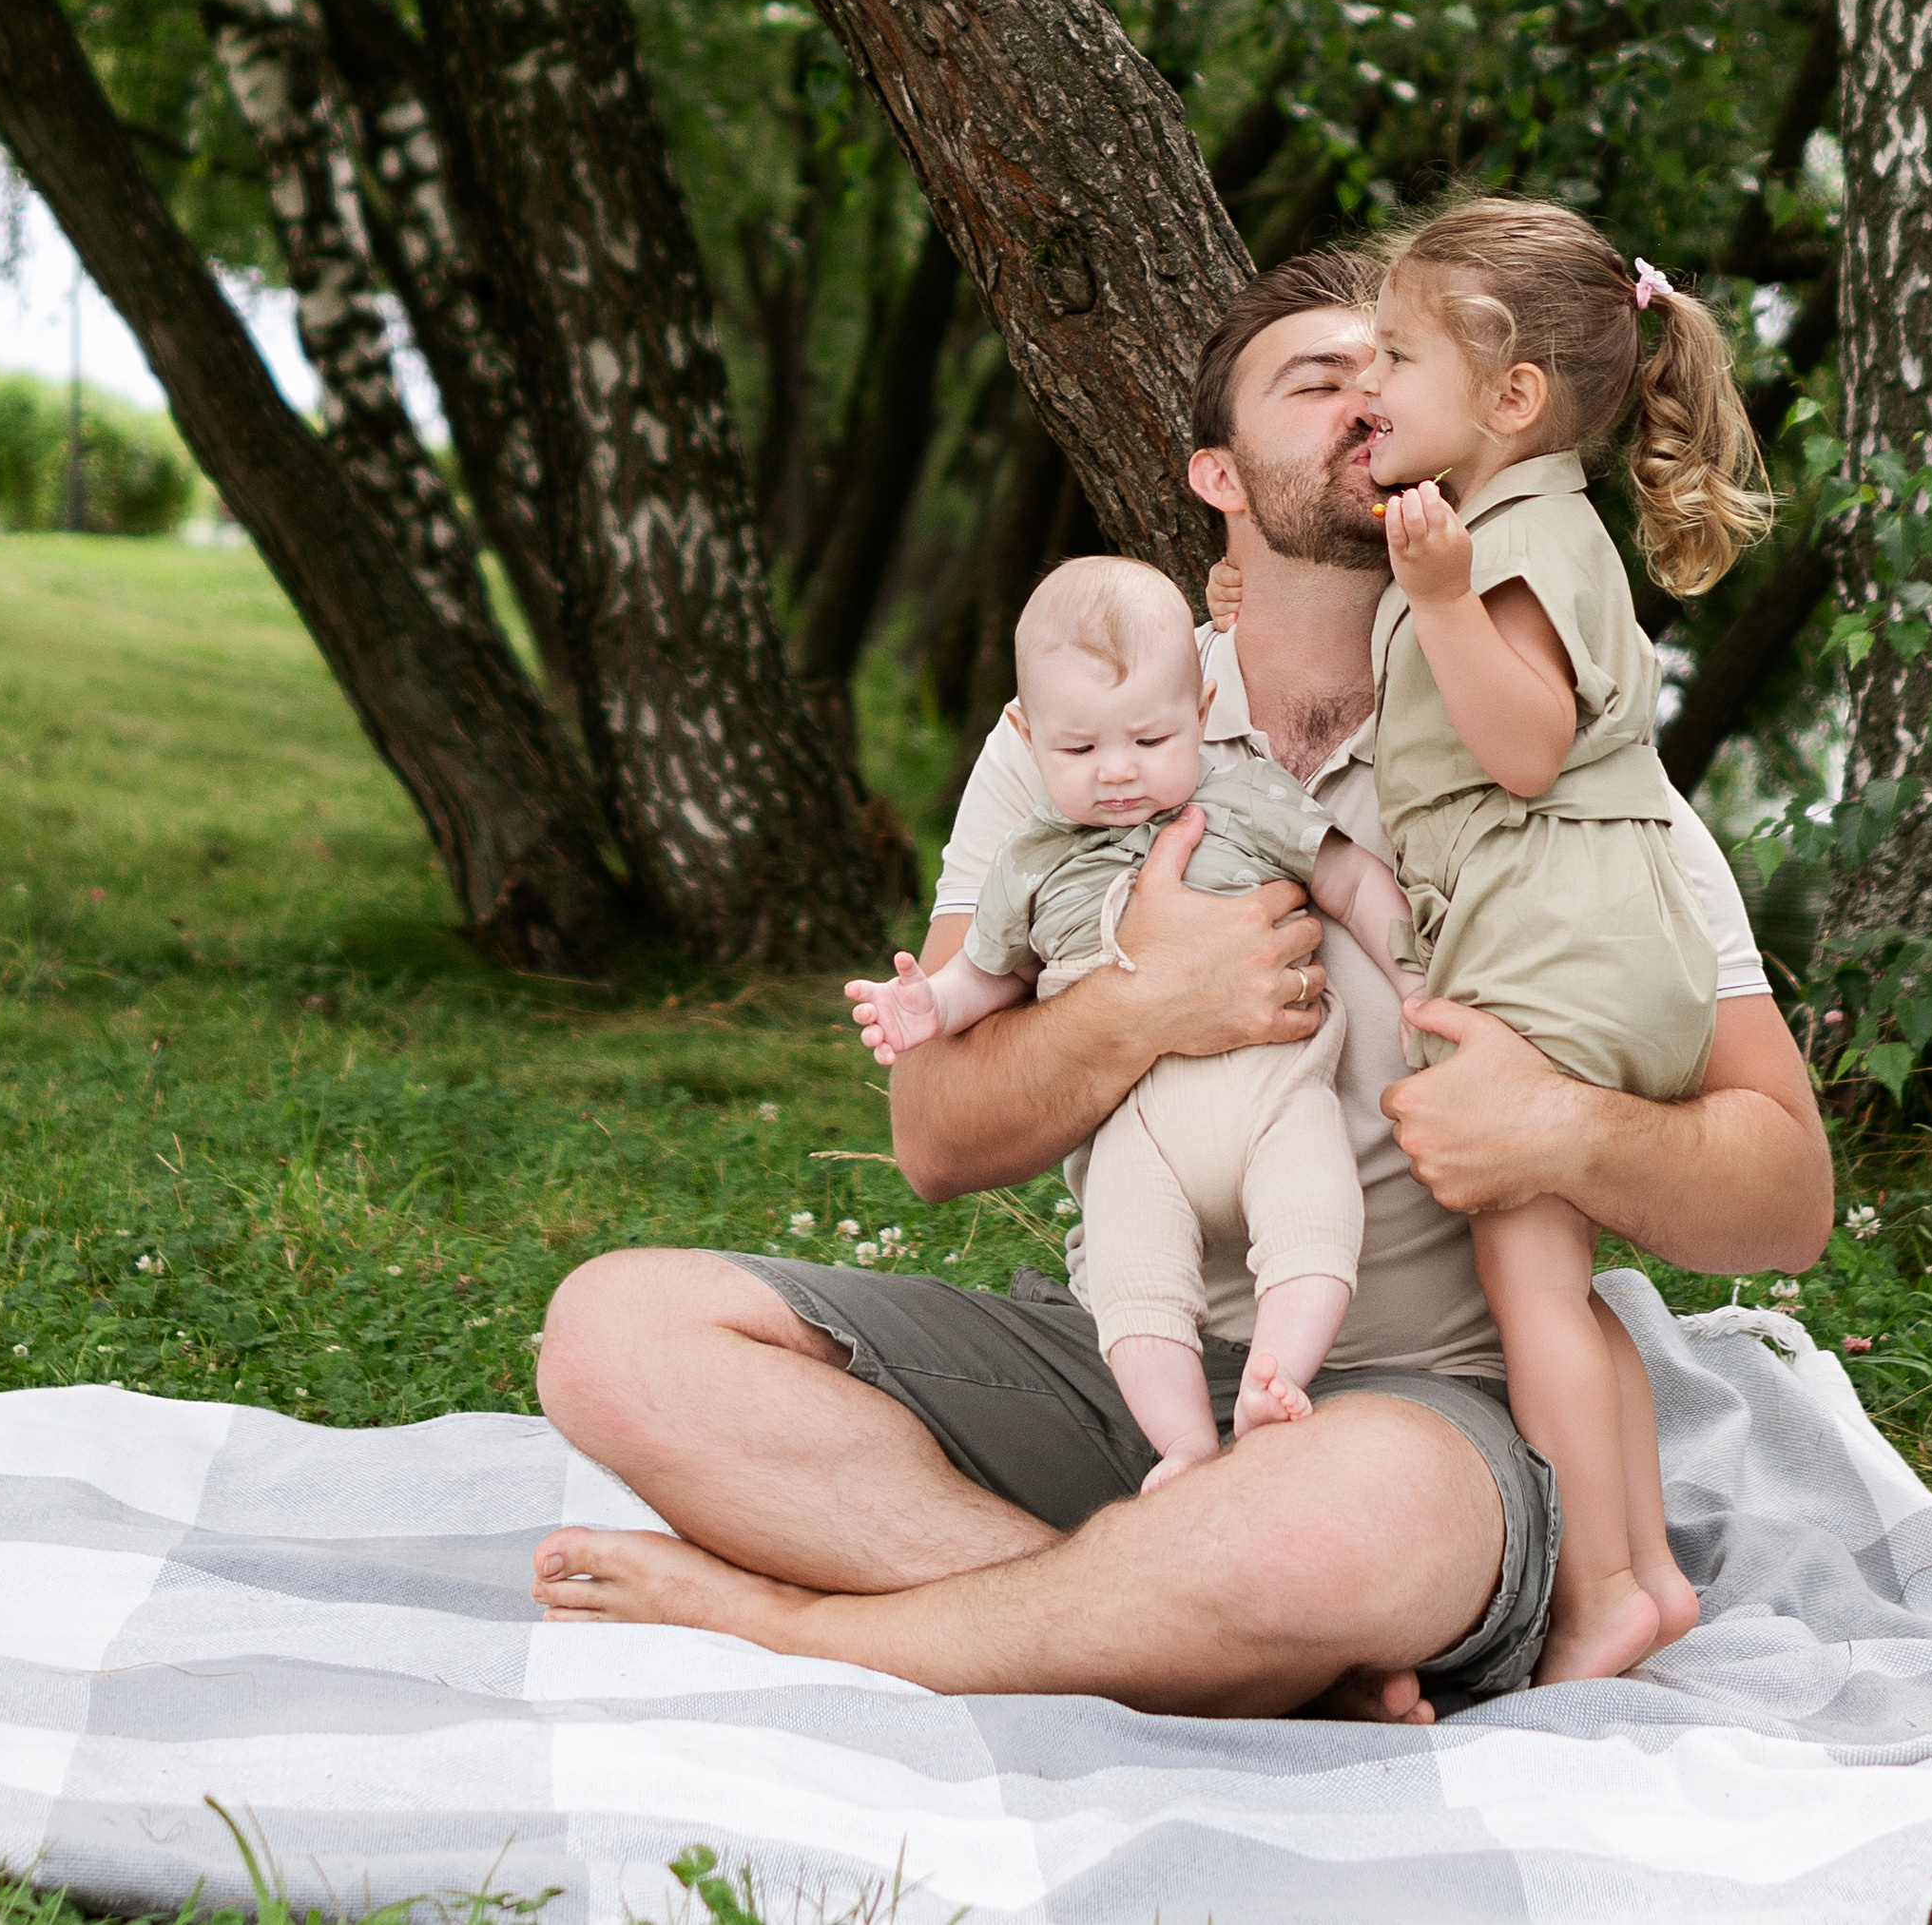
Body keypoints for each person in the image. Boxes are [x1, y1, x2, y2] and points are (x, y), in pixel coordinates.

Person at [527, 249, 1833, 1720]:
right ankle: (1210, 1636)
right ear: (1219, 474)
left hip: (1412, 1417)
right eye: (1321, 376)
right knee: (617, 1335)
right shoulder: (1078, 737)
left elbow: (1787, 1198)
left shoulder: (1565, 765)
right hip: (1119, 1362)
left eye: (1395, 367)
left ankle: (815, 1625)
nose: (1367, 398)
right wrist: (1143, 1002)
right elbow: (936, 1137)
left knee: (1326, 1529)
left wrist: (1569, 1130)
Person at [1317, 202, 1765, 1682]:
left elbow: (1525, 742)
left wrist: (1441, 599)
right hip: (1592, 929)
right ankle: (1649, 1574)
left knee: (1525, 1289)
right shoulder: (1525, 521)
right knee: (1560, 1283)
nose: (1368, 377)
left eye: (1398, 353)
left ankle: (1597, 1596)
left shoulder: (1512, 540)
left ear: (1511, 396)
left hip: (1552, 939)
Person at [846, 551, 1416, 1482]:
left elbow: (1353, 881)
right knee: (1132, 1281)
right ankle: (1183, 1439)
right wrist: (928, 1005)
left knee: (1315, 1218)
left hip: (1276, 1095)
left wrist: (1414, 982)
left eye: (1150, 740)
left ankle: (1276, 1376)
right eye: (1078, 751)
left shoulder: (1243, 797)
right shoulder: (1031, 859)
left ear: (1199, 710)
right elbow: (990, 974)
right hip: (1136, 1137)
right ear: (1028, 735)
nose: (1117, 772)